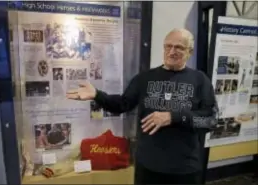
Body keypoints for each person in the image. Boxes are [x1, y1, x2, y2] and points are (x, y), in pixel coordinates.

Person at [66, 28, 219, 184]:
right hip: (148, 167)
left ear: (190, 51)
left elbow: (211, 121)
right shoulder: (145, 78)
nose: (172, 51)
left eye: (179, 47)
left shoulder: (200, 80)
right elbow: (122, 104)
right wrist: (97, 95)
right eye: (168, 46)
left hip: (184, 169)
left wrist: (174, 117)